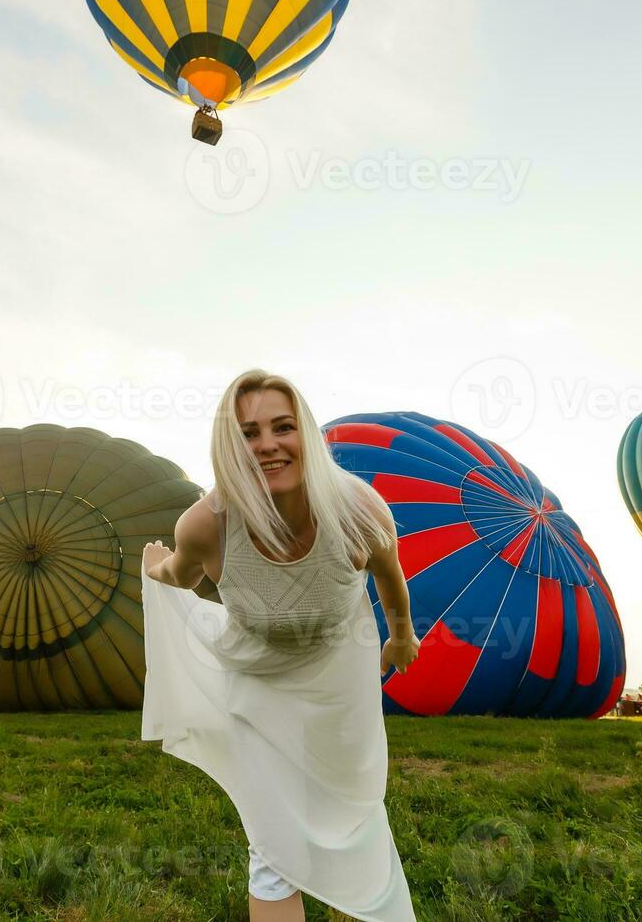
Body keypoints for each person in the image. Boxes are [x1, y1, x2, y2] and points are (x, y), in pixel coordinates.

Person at [141, 369, 420, 922]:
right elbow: (178, 572)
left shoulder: (358, 512)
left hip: (337, 678)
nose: (267, 445)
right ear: (231, 447)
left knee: (355, 814)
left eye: (282, 427)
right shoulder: (206, 525)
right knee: (273, 846)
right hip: (255, 679)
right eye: (248, 433)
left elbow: (391, 577)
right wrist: (156, 567)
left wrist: (402, 637)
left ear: (306, 435)